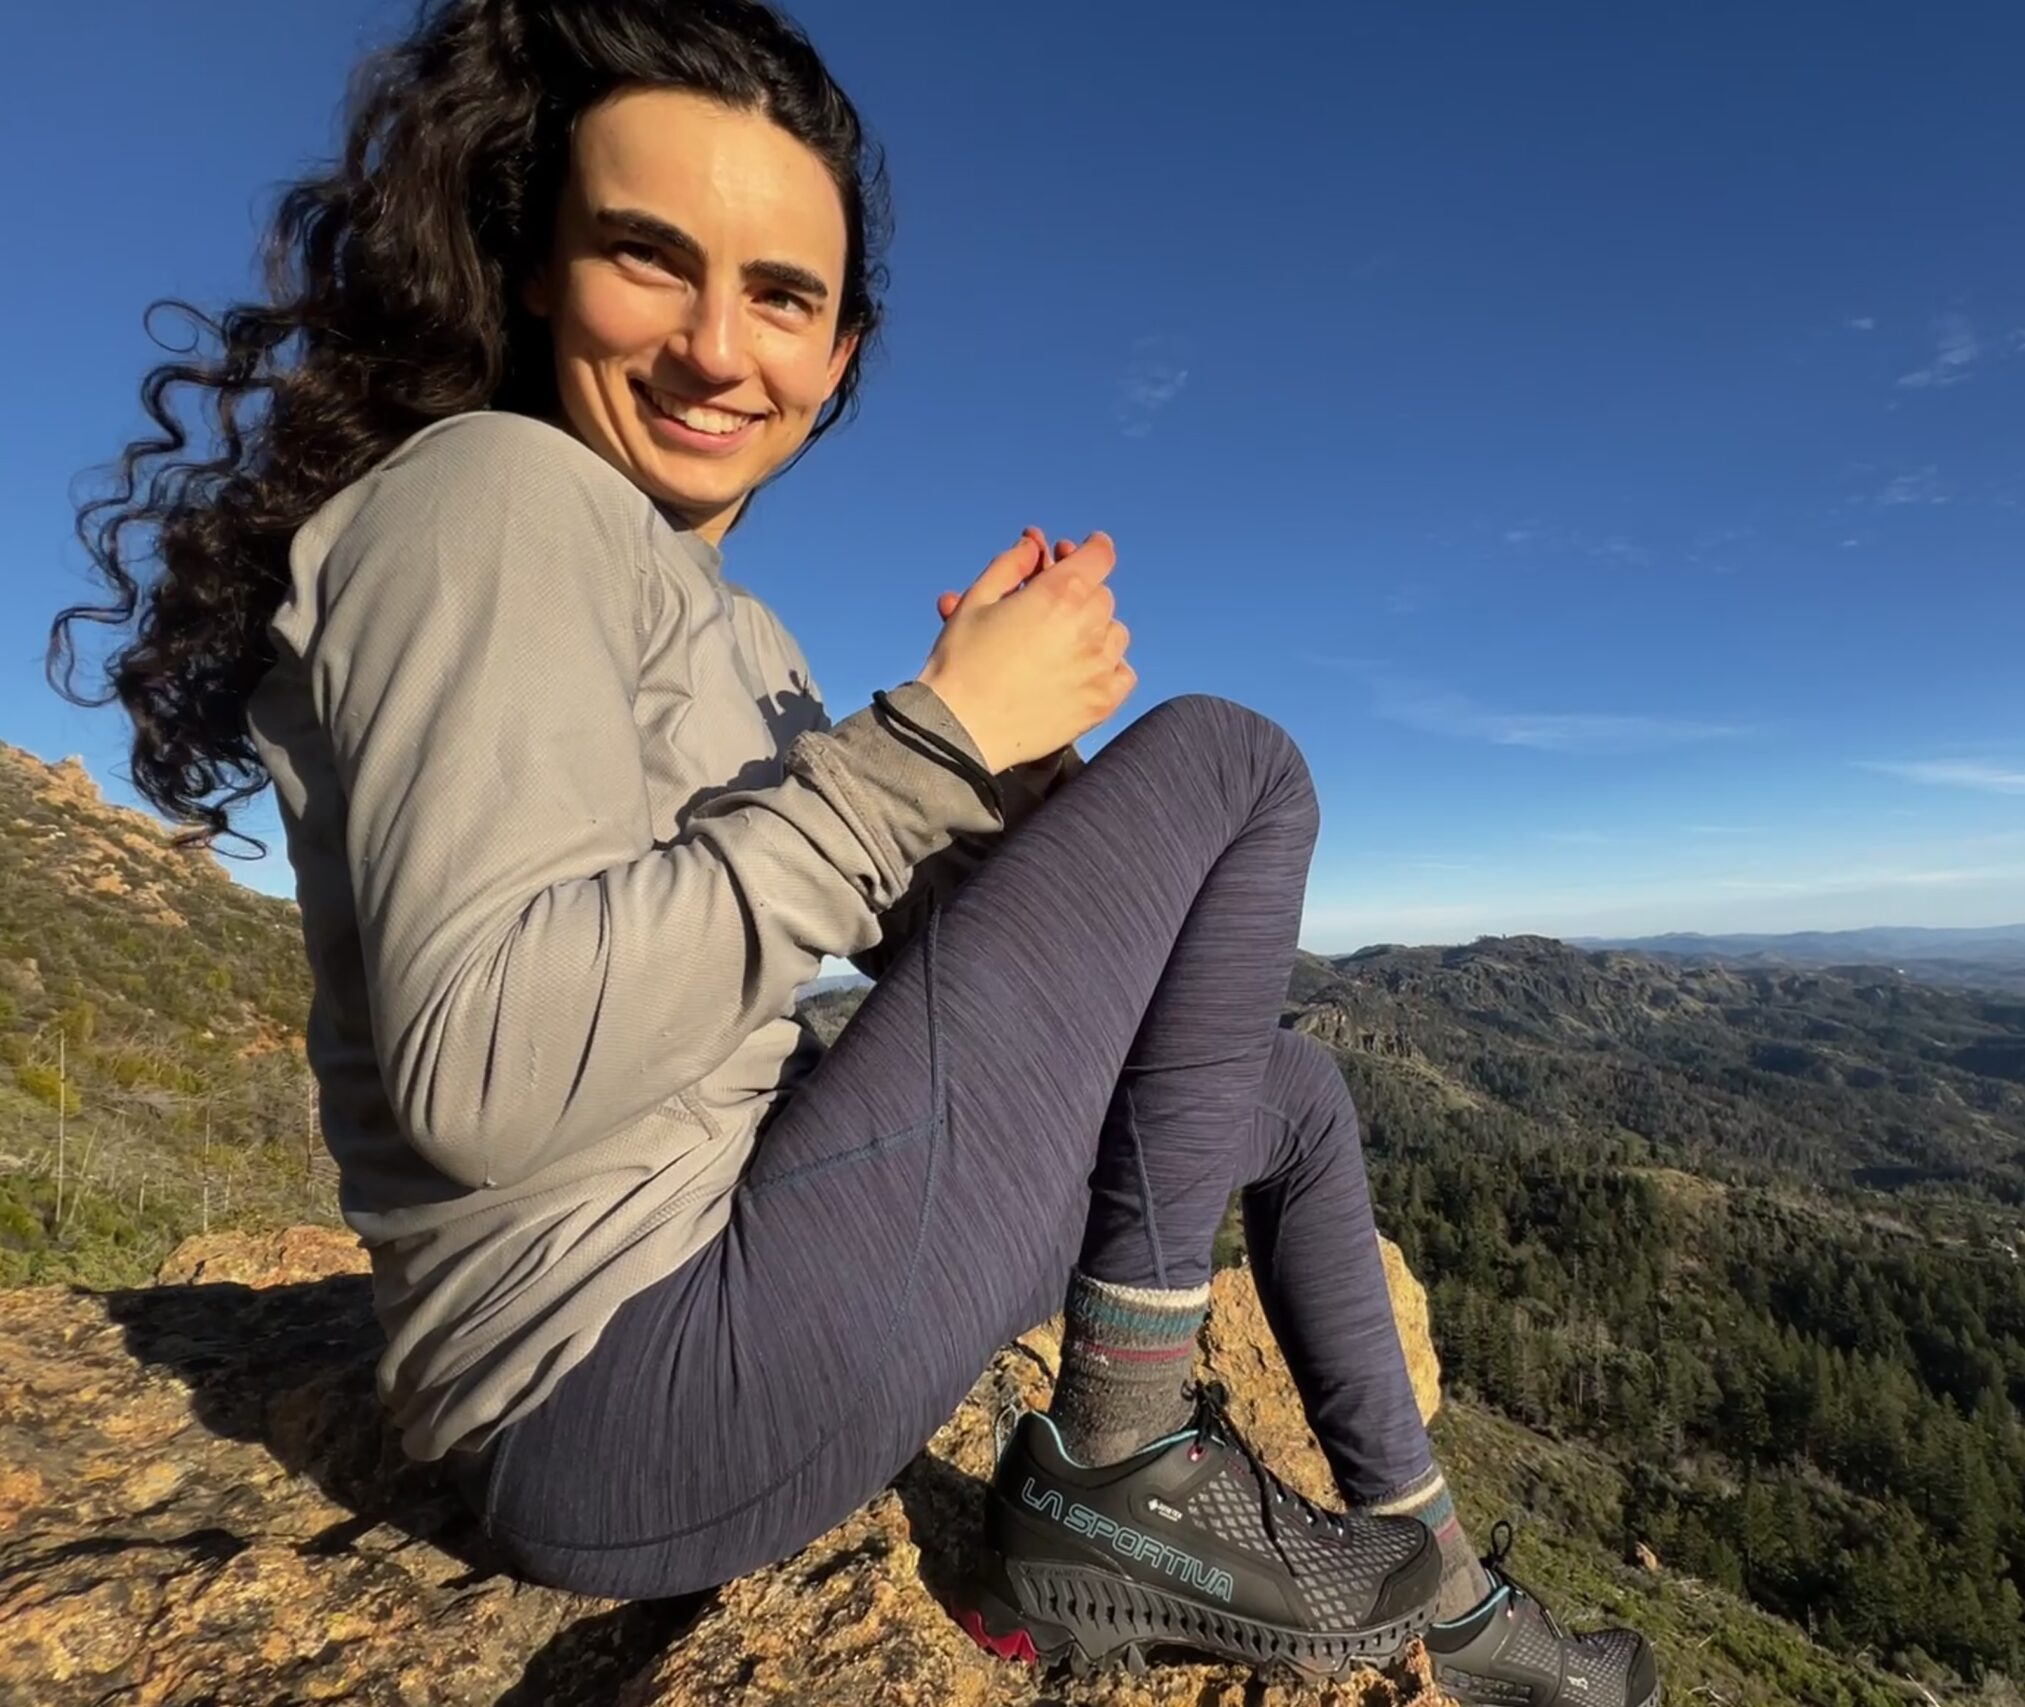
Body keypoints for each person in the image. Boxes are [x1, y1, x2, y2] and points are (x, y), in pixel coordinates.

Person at [50, 3, 1655, 1703]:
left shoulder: (740, 638)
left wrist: (1017, 785)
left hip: (723, 1317)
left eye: (781, 295)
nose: (717, 349)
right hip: (620, 1388)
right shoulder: (489, 502)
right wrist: (932, 741)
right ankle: (1121, 1465)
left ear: (839, 348)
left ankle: (1467, 1623)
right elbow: (483, 1074)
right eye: (648, 259)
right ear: (533, 270)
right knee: (1237, 763)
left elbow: (928, 963)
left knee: (1286, 1097)